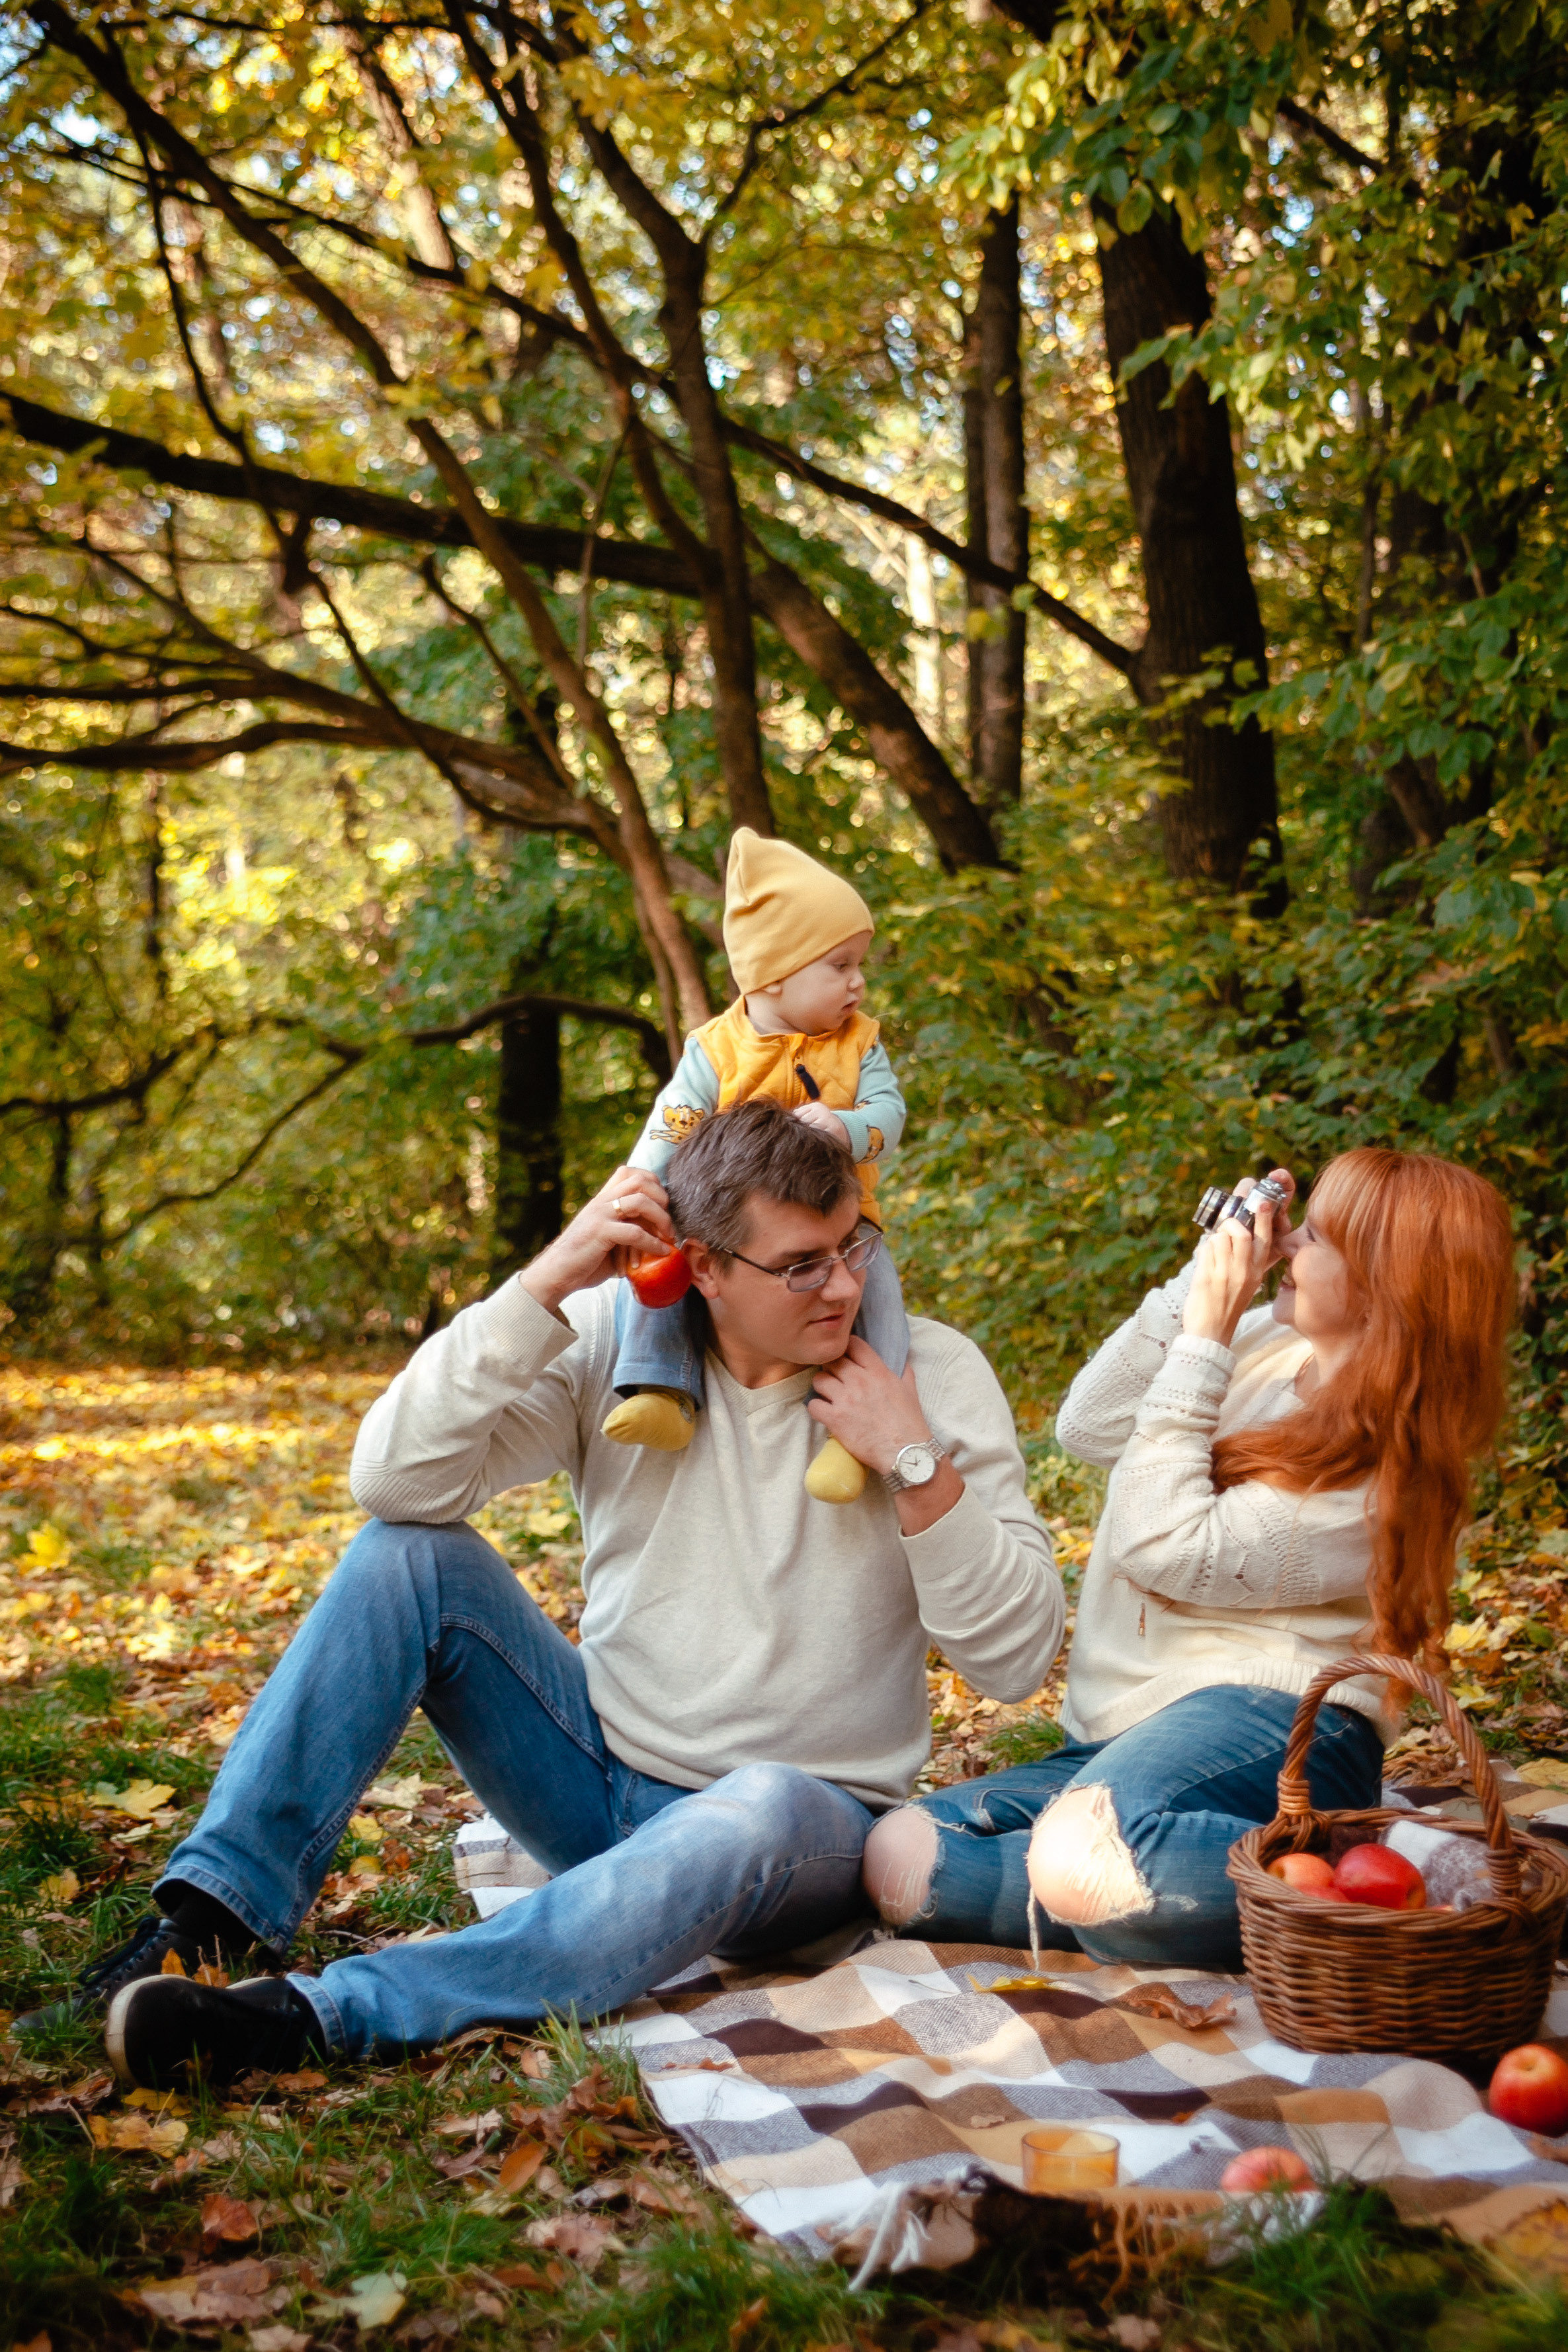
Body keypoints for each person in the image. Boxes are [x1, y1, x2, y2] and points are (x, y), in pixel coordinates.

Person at [50, 1103, 1060, 2087]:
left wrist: (914, 1464)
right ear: (701, 1267)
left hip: (808, 1831)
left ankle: (317, 2016)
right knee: (404, 1559)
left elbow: (1011, 1663)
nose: (841, 1286)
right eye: (800, 1264)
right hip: (600, 1782)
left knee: (759, 1801)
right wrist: (542, 1286)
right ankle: (208, 1923)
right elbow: (396, 1484)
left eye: (853, 1246)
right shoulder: (620, 1347)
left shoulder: (927, 1375)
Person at [860, 1148, 1515, 1970]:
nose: (1286, 1244)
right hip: (1129, 1733)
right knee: (903, 1854)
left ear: (1389, 1283)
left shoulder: (1389, 1473)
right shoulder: (1264, 1339)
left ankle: (1385, 1884)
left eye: (1315, 1235)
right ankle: (1198, 1888)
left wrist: (1205, 1338)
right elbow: (1089, 1427)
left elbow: (1160, 1541)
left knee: (1086, 1853)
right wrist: (1199, 1291)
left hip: (1273, 1721)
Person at [604, 827, 907, 1503]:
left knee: (878, 1303)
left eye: (859, 964)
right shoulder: (715, 1049)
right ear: (774, 971)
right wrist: (639, 1188)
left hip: (846, 1223)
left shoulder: (860, 1044)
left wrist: (849, 1127)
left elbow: (891, 1113)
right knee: (661, 1281)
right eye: (838, 965)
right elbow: (673, 1120)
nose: (858, 982)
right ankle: (658, 1388)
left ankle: (853, 1440)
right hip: (728, 1225)